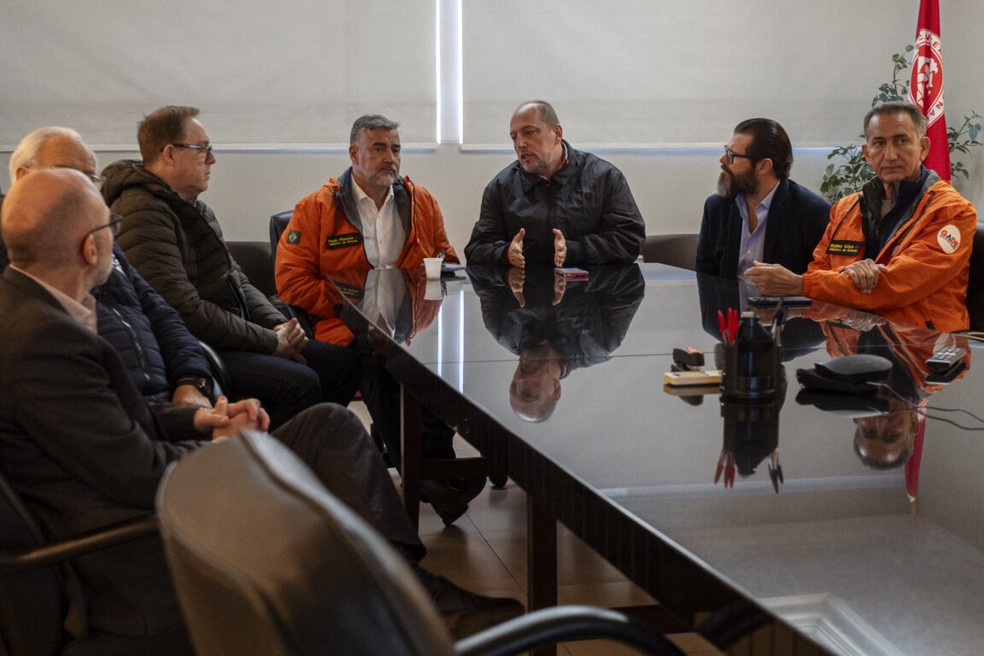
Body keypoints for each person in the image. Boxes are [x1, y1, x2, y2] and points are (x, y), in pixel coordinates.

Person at [0, 169, 522, 651]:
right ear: (91, 248)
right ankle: (401, 604)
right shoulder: (42, 341)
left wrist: (201, 420)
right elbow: (135, 476)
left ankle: (405, 589)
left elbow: (119, 423)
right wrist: (228, 451)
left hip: (146, 489)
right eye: (110, 227)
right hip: (136, 549)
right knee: (310, 454)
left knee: (328, 424)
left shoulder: (39, 311)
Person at [276, 114, 481, 525]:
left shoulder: (420, 200)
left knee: (442, 362)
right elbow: (290, 281)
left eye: (396, 149)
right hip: (345, 327)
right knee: (375, 358)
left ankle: (434, 469)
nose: (391, 158)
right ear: (354, 154)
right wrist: (341, 305)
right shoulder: (317, 207)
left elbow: (447, 258)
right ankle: (428, 473)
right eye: (379, 148)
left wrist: (439, 276)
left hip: (414, 323)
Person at [101, 106, 360, 428]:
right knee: (300, 381)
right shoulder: (142, 212)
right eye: (203, 148)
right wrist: (268, 341)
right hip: (197, 347)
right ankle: (267, 463)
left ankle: (309, 453)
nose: (212, 159)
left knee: (343, 363)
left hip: (231, 332)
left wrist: (278, 327)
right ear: (169, 153)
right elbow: (183, 310)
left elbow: (236, 278)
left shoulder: (194, 207)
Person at [3, 126, 213, 406]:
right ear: (23, 177)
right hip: (117, 411)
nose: (85, 188)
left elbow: (163, 314)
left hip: (169, 403)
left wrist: (191, 381)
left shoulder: (105, 242)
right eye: (69, 173)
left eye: (90, 178)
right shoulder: (21, 261)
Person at [745, 102, 977, 333]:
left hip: (922, 349)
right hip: (851, 343)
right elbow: (818, 270)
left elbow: (897, 284)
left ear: (924, 147)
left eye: (901, 140)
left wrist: (800, 284)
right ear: (867, 153)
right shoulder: (846, 208)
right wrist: (849, 273)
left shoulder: (952, 212)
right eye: (879, 143)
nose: (890, 154)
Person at [464, 100, 645, 268]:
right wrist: (505, 253)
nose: (520, 144)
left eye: (529, 132)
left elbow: (629, 239)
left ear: (557, 134)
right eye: (514, 137)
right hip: (525, 297)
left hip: (592, 295)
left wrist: (573, 250)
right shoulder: (500, 187)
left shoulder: (604, 177)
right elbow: (477, 249)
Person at [467, 265, 645, 421]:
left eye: (513, 388)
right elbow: (631, 282)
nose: (519, 381)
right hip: (583, 240)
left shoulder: (502, 330)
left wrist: (509, 267)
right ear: (556, 389)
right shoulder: (599, 343)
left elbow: (479, 273)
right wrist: (571, 276)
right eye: (529, 394)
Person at [696, 118, 829, 278]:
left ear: (763, 166)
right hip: (729, 303)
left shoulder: (812, 213)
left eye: (732, 155)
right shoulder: (717, 207)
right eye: (726, 151)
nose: (723, 160)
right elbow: (706, 280)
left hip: (784, 303)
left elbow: (821, 282)